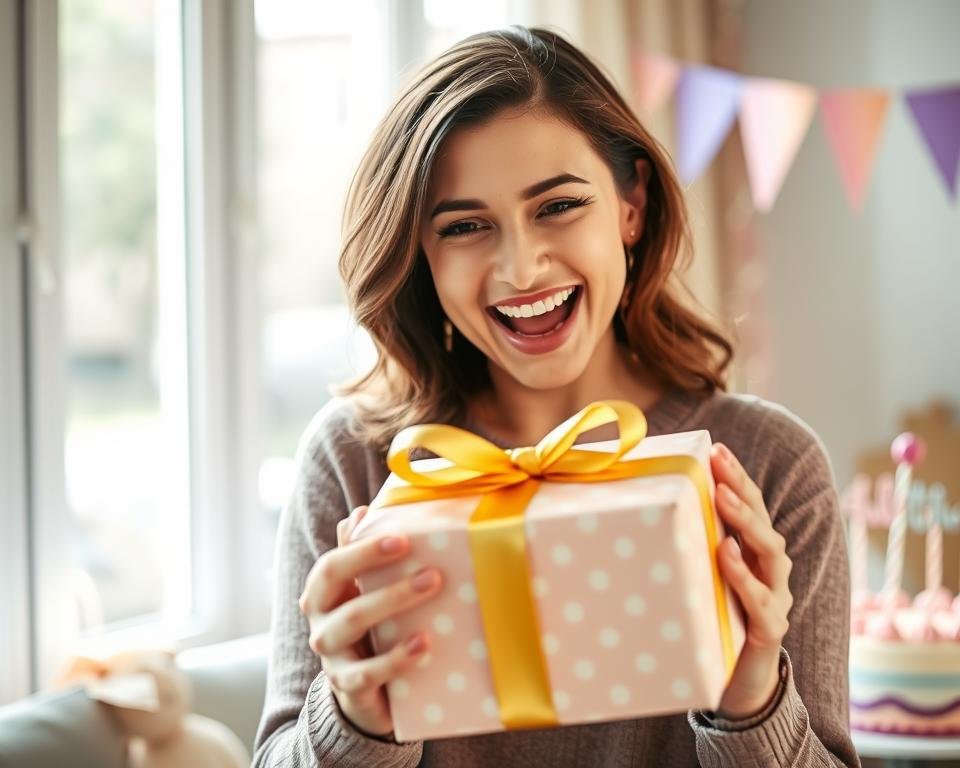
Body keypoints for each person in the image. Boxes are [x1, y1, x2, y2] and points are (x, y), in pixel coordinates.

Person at [252, 26, 860, 768]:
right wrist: (353, 720)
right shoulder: (358, 462)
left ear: (631, 205)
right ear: (422, 254)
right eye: (465, 226)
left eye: (557, 206)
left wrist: (753, 701)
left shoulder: (769, 467)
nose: (521, 269)